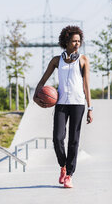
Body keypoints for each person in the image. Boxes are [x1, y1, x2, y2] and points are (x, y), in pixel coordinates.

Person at [33, 25, 93, 188]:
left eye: (79, 41)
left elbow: (86, 85)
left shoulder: (83, 60)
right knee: (57, 138)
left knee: (74, 140)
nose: (77, 44)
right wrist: (36, 93)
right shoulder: (56, 60)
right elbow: (43, 79)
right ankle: (63, 165)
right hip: (61, 104)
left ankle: (69, 175)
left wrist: (90, 108)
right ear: (66, 41)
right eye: (74, 41)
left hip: (78, 103)